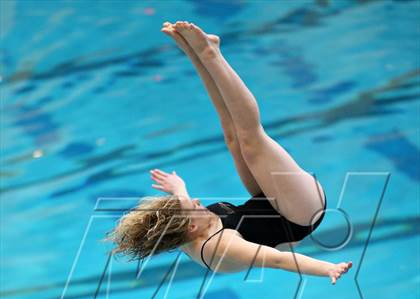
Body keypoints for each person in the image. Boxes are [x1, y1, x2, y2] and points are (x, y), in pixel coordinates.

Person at [109, 21, 352, 284]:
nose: (198, 200)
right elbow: (279, 260)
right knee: (250, 140)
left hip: (268, 203)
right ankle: (211, 54)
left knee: (231, 137)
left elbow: (176, 215)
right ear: (191, 227)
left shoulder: (181, 229)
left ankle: (196, 52)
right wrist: (327, 268)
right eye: (195, 206)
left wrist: (177, 188)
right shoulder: (219, 246)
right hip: (301, 214)